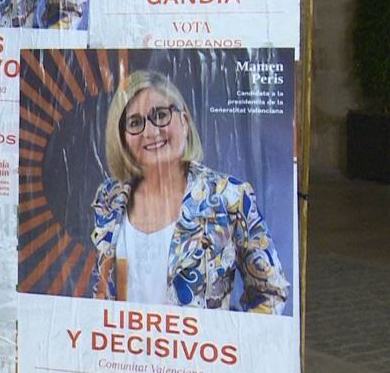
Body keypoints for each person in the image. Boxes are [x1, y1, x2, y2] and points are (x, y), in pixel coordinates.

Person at [89, 70, 288, 312]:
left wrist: (230, 344)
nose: (150, 132)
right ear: (122, 138)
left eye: (160, 115)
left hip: (199, 349)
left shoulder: (229, 196)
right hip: (124, 348)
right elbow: (101, 291)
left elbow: (270, 292)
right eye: (135, 123)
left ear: (184, 121)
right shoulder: (110, 197)